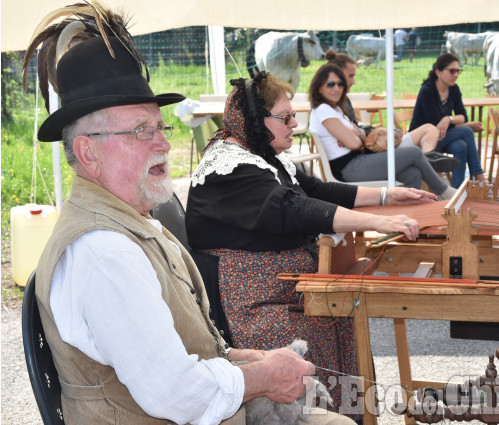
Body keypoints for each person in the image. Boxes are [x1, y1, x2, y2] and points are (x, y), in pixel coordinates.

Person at [25, 5, 355, 425]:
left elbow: (181, 348)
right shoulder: (102, 251)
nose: (162, 144)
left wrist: (241, 358)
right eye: (141, 130)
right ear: (90, 152)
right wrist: (263, 376)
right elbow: (176, 395)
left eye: (161, 128)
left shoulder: (134, 221)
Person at [185, 71, 433, 419]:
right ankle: (330, 419)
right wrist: (377, 222)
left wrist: (386, 195)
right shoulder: (229, 169)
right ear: (257, 121)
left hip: (284, 288)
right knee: (317, 331)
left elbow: (316, 191)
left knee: (343, 317)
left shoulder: (262, 154)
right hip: (249, 301)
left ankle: (350, 418)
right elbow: (297, 208)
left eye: (293, 115)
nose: (294, 124)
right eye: (285, 117)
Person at [308, 63, 457, 198]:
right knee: (414, 152)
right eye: (331, 84)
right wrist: (355, 136)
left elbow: (356, 136)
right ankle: (443, 192)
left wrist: (355, 134)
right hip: (349, 168)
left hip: (358, 161)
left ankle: (411, 217)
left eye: (340, 84)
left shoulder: (336, 109)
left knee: (413, 173)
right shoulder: (323, 110)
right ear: (319, 87)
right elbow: (353, 143)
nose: (337, 88)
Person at [324, 50, 459, 173]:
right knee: (436, 133)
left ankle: (430, 158)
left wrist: (380, 132)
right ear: (337, 75)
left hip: (378, 146)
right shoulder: (328, 108)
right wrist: (359, 133)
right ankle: (430, 160)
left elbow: (357, 131)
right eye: (350, 76)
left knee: (434, 132)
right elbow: (357, 139)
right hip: (375, 151)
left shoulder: (342, 102)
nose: (353, 81)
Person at [409, 53, 491, 189]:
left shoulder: (454, 89)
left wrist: (448, 118)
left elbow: (463, 116)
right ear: (438, 72)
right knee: (466, 131)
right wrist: (465, 125)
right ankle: (480, 177)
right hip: (423, 141)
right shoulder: (427, 91)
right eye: (452, 71)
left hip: (442, 137)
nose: (456, 74)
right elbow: (436, 124)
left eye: (458, 71)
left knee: (461, 146)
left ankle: (457, 190)